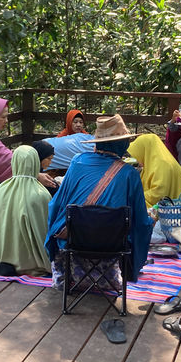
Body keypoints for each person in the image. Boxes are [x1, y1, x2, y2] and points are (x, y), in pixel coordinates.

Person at [45, 115, 153, 288]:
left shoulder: (77, 162)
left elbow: (56, 204)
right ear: (121, 144)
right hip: (112, 243)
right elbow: (140, 220)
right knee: (144, 224)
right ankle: (124, 273)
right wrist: (150, 222)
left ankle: (66, 275)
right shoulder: (130, 174)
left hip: (74, 239)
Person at [0, 146, 52, 275]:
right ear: (36, 163)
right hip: (30, 262)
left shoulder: (0, 189)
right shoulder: (40, 194)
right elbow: (43, 232)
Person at [127, 133, 181, 208]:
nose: (137, 160)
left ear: (145, 151)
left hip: (177, 210)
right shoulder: (151, 164)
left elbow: (158, 194)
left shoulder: (162, 165)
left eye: (138, 155)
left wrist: (134, 197)